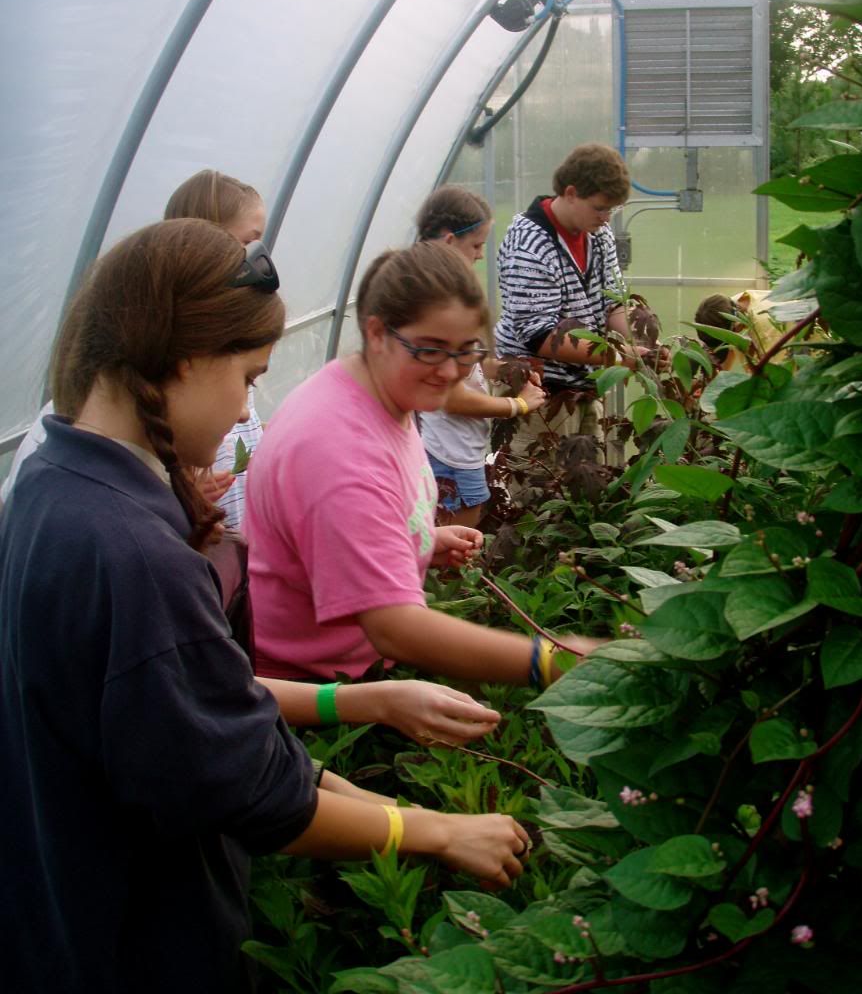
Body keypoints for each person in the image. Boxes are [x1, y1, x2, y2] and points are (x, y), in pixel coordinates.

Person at [0, 219, 531, 993]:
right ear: (181, 360)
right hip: (133, 946)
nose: (250, 412)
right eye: (249, 377)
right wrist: (439, 829)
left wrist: (368, 707)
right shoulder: (135, 558)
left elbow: (194, 720)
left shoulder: (50, 482)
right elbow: (251, 789)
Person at [244, 241, 598, 685]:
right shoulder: (338, 451)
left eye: (465, 351)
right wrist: (557, 661)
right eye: (430, 349)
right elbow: (396, 630)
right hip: (314, 689)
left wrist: (418, 540)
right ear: (376, 334)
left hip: (353, 670)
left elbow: (344, 532)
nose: (450, 371)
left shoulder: (382, 393)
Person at [0, 169, 264, 527]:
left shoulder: (207, 381)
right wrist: (184, 511)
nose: (254, 261)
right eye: (247, 244)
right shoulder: (99, 462)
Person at [494, 144, 666, 490]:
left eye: (612, 210)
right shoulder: (529, 243)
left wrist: (646, 343)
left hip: (584, 387)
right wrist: (618, 358)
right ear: (570, 193)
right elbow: (539, 336)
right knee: (539, 493)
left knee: (588, 489)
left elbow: (613, 303)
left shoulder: (597, 235)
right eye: (600, 208)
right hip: (539, 394)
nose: (606, 218)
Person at [415, 185, 545, 526]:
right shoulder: (435, 304)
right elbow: (450, 396)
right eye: (475, 245)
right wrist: (518, 405)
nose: (479, 255)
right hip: (447, 454)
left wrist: (506, 370)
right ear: (448, 241)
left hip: (460, 450)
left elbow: (471, 364)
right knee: (454, 546)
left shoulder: (446, 293)